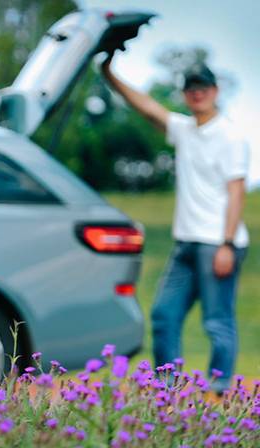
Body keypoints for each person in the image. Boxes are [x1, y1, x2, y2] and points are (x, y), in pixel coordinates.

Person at [102, 55, 249, 393]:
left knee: (217, 322)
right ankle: (166, 391)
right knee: (164, 316)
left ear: (215, 91)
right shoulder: (184, 130)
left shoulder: (230, 136)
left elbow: (236, 191)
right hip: (186, 243)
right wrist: (109, 72)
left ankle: (219, 393)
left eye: (203, 88)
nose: (197, 93)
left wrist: (227, 244)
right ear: (185, 95)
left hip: (218, 243)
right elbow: (147, 107)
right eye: (191, 88)